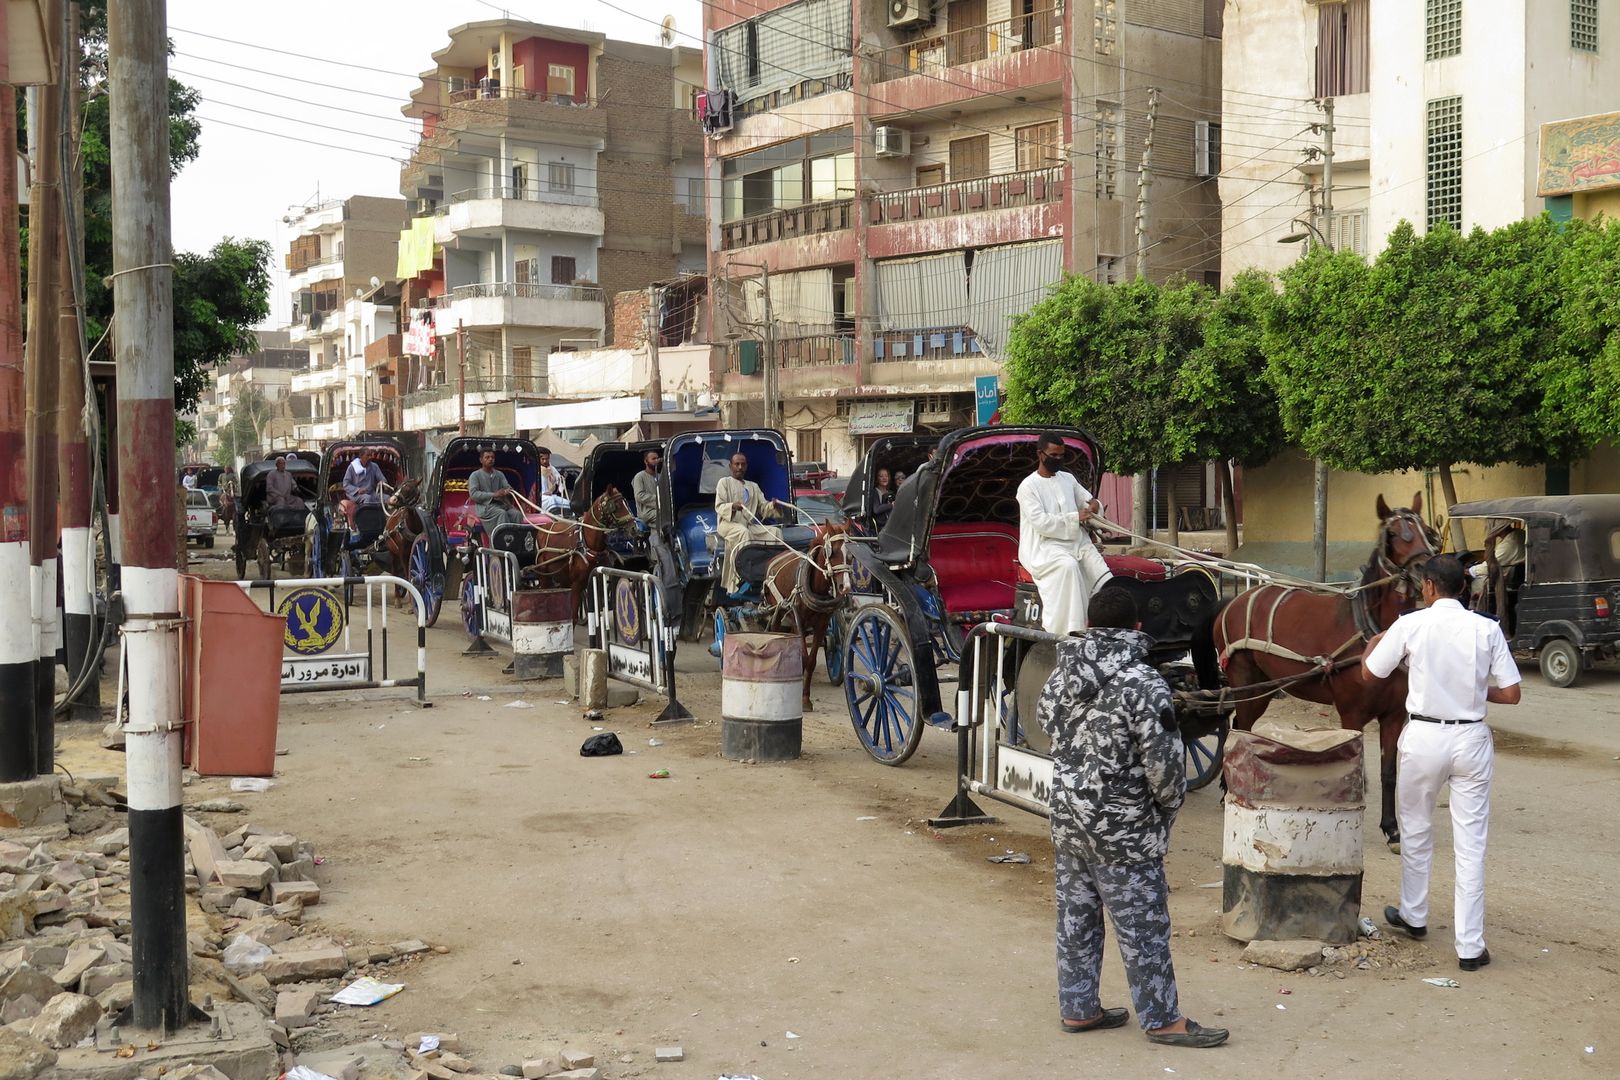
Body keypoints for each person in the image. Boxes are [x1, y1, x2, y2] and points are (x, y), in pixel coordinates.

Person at [1037, 586, 1229, 1049]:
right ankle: (1163, 1020)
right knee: (1143, 926)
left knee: (1076, 919)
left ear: (1090, 623)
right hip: (1124, 830)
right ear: (1137, 628)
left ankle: (1079, 1009)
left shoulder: (1061, 672)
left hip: (1068, 818)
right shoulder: (1143, 683)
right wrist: (1166, 809)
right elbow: (1165, 766)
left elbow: (1043, 722)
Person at [1363, 554, 1521, 972]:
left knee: (1415, 827)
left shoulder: (1411, 624)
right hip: (1471, 738)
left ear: (1429, 587)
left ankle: (1414, 916)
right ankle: (1470, 947)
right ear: (1463, 589)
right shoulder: (1486, 629)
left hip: (1424, 737)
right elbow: (1511, 694)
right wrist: (1470, 689)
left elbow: (1371, 675)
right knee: (1471, 845)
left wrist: (1373, 647)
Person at [1017, 432, 1113, 635]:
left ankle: (1106, 630)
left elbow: (1087, 501)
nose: (1058, 459)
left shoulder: (1068, 479)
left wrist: (1094, 506)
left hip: (1079, 543)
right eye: (1054, 455)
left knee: (1105, 578)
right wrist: (1074, 517)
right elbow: (1042, 523)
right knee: (1068, 567)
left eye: (1061, 455)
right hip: (1045, 548)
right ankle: (1069, 633)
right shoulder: (1027, 487)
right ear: (1040, 454)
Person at [714, 452, 784, 596]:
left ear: (746, 466)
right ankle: (744, 574)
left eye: (743, 464)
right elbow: (719, 506)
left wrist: (774, 506)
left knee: (775, 532)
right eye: (737, 464)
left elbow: (763, 508)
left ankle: (776, 570)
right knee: (742, 532)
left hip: (747, 525)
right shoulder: (724, 482)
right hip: (728, 524)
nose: (740, 467)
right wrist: (732, 506)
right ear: (730, 466)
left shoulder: (753, 486)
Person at [632, 448, 680, 622]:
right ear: (646, 461)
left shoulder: (661, 476)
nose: (657, 460)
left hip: (663, 511)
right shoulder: (640, 477)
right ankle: (658, 550)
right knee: (663, 518)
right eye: (653, 458)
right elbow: (640, 496)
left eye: (658, 458)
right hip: (648, 513)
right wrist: (660, 500)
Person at [468, 448, 523, 538]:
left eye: (492, 457)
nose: (490, 459)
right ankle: (501, 543)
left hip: (502, 505)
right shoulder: (475, 475)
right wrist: (494, 494)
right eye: (487, 457)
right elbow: (473, 494)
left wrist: (508, 491)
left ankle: (516, 540)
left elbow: (507, 487)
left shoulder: (499, 474)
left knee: (517, 514)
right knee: (501, 514)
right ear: (481, 460)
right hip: (485, 508)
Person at [537, 446, 569, 515]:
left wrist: (561, 479)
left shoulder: (551, 468)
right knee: (551, 501)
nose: (545, 461)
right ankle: (553, 518)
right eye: (542, 459)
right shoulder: (535, 469)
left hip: (550, 495)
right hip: (540, 497)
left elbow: (559, 479)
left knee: (568, 503)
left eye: (547, 459)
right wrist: (543, 493)